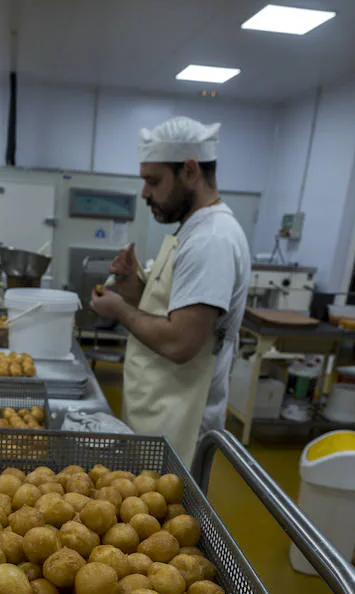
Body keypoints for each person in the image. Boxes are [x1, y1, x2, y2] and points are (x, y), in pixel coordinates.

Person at [91, 116, 251, 466]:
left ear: (190, 171)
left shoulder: (212, 240)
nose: (144, 192)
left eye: (153, 180)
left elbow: (181, 342)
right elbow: (167, 313)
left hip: (181, 422)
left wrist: (119, 309)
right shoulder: (191, 231)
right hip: (159, 407)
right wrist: (134, 287)